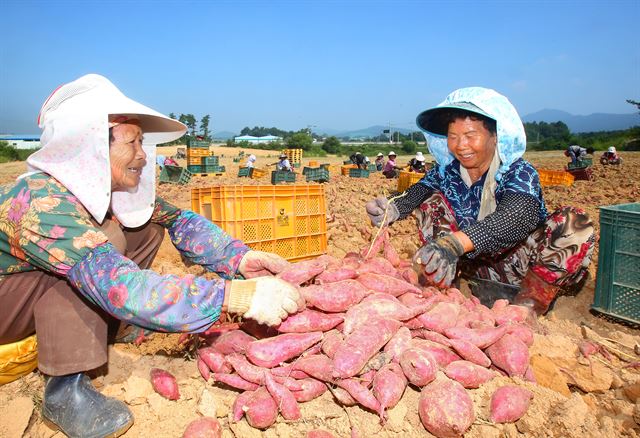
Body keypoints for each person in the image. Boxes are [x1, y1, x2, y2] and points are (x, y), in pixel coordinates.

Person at [0, 74, 304, 438]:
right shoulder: (41, 200)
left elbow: (179, 220)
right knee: (91, 265)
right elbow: (118, 286)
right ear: (91, 146)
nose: (143, 155)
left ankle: (117, 327)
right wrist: (235, 295)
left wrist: (238, 259)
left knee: (142, 226)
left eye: (143, 143)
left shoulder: (102, 189)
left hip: (36, 294)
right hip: (7, 309)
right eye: (132, 143)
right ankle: (65, 390)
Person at [366, 87, 594, 315]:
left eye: (470, 135)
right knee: (431, 202)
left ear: (495, 136)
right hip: (470, 267)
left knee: (574, 223)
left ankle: (528, 307)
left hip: (522, 268)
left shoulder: (518, 172)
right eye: (453, 137)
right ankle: (443, 289)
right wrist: (391, 209)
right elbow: (415, 193)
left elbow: (517, 216)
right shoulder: (447, 172)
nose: (460, 145)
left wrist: (455, 244)